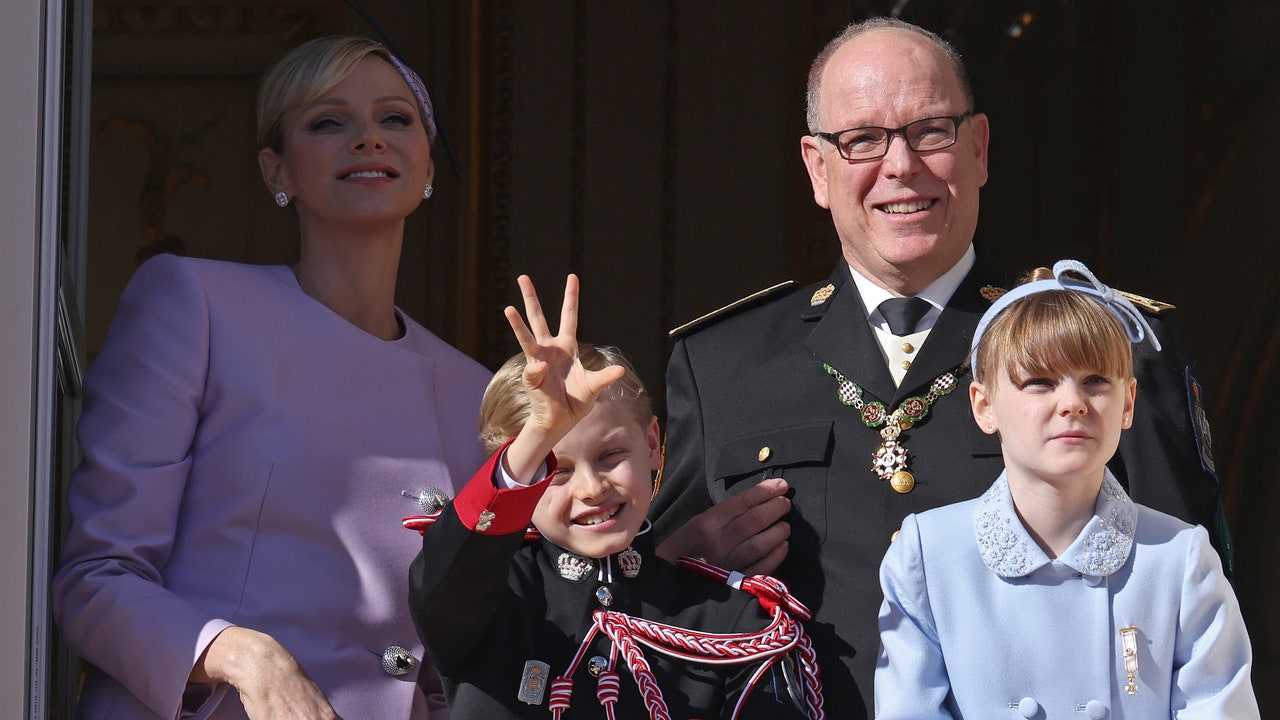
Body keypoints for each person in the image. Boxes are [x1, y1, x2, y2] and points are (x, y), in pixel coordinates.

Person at [648, 17, 1225, 718]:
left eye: (930, 131)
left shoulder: (1107, 347)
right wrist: (673, 565)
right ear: (816, 168)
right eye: (862, 139)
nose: (900, 166)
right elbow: (631, 627)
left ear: (979, 148)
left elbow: (1188, 623)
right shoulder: (723, 366)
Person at [51, 36, 490, 719]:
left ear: (428, 165)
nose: (369, 138)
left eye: (395, 119)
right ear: (276, 170)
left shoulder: (473, 394)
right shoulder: (194, 304)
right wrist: (246, 657)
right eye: (327, 121)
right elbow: (94, 580)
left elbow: (458, 650)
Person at [407, 275, 821, 720]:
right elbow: (442, 580)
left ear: (651, 445)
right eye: (556, 470)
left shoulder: (727, 621)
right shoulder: (493, 598)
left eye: (610, 456)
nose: (592, 488)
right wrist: (538, 434)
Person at [875, 260, 1257, 718]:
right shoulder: (929, 556)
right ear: (984, 406)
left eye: (1095, 381)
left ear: (1128, 403)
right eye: (1039, 382)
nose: (1072, 404)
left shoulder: (1179, 558)